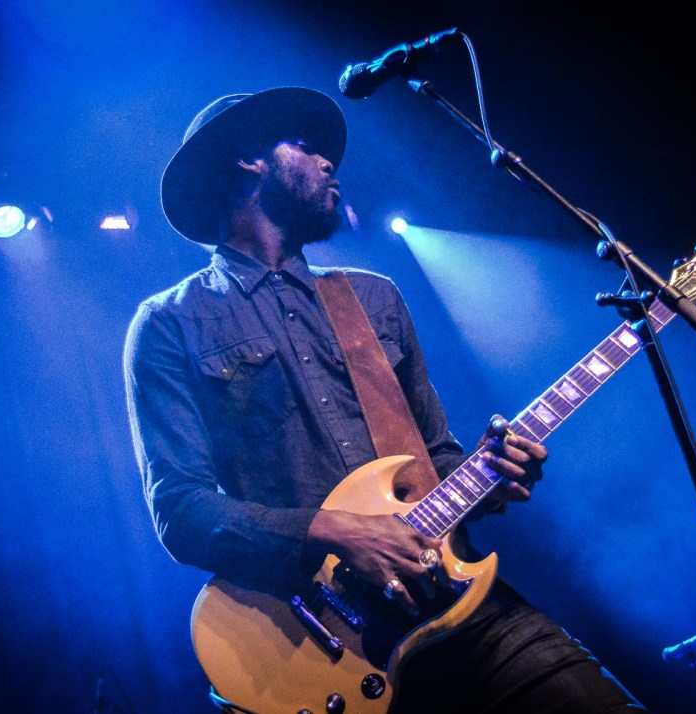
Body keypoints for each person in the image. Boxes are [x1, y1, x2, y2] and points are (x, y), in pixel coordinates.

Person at [124, 86, 647, 712]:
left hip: (466, 609)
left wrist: (492, 472)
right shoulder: (171, 323)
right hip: (320, 643)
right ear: (248, 161)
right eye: (305, 147)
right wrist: (335, 532)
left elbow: (435, 458)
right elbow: (180, 510)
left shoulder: (373, 299)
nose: (329, 163)